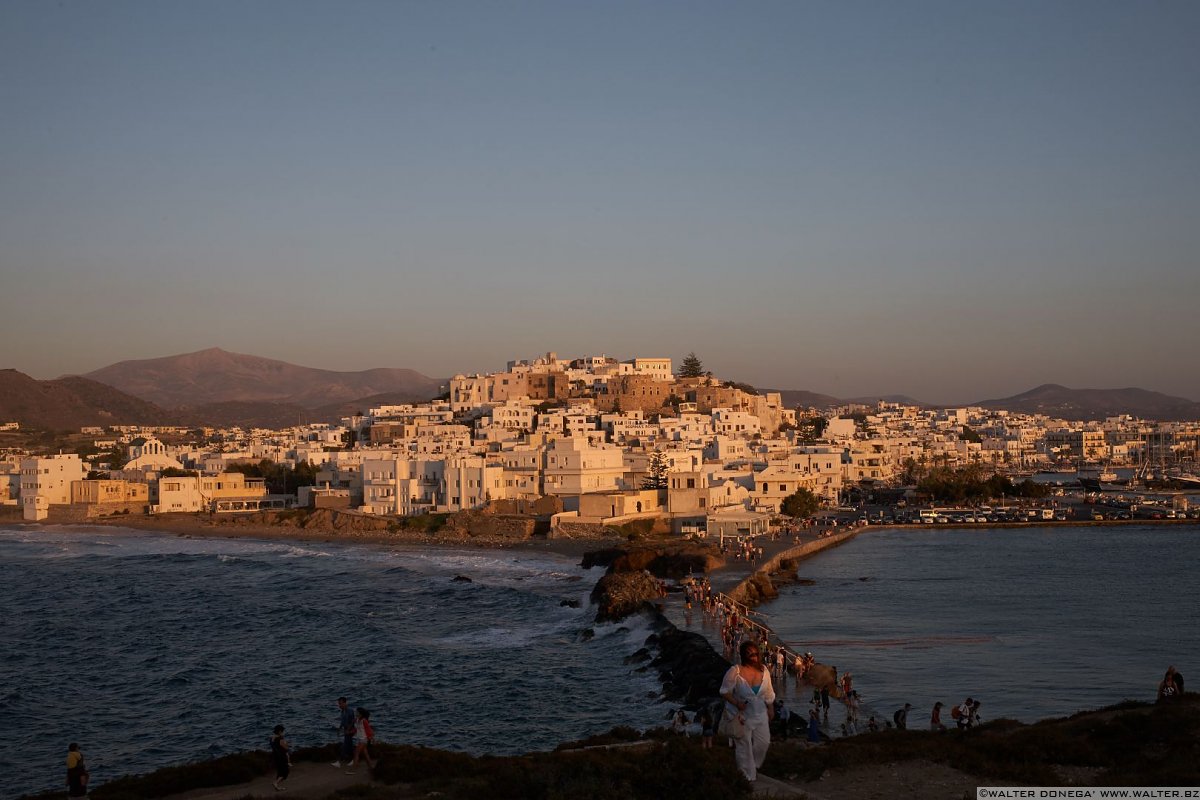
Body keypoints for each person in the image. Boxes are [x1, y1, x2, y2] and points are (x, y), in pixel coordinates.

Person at [720, 641, 776, 782]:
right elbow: (724, 691)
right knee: (744, 746)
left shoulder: (764, 670)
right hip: (742, 716)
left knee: (764, 742)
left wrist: (770, 708)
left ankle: (754, 766)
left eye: (756, 654)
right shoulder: (735, 671)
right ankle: (747, 776)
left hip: (760, 714)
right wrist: (737, 703)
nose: (753, 657)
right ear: (744, 655)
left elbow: (769, 692)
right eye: (749, 654)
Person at [346, 707, 376, 772]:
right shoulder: (356, 720)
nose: (356, 713)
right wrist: (349, 732)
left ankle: (353, 769)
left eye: (357, 712)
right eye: (356, 712)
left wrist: (372, 738)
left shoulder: (364, 721)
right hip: (358, 739)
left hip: (363, 739)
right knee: (365, 753)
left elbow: (369, 730)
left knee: (356, 753)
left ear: (361, 714)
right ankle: (371, 767)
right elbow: (356, 729)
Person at [332, 697, 356, 767]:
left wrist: (348, 730)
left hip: (350, 731)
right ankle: (352, 760)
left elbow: (352, 721)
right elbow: (342, 722)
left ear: (345, 703)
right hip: (346, 730)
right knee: (349, 746)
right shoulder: (342, 711)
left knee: (345, 746)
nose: (339, 705)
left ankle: (339, 762)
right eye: (339, 704)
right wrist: (339, 729)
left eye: (340, 703)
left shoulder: (350, 711)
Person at [270, 725, 291, 791]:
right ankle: (275, 783)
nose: (283, 732)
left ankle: (277, 787)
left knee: (280, 771)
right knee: (285, 772)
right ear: (279, 731)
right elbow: (286, 748)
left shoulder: (271, 738)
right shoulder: (280, 739)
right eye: (282, 731)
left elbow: (275, 745)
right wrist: (287, 744)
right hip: (281, 757)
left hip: (275, 756)